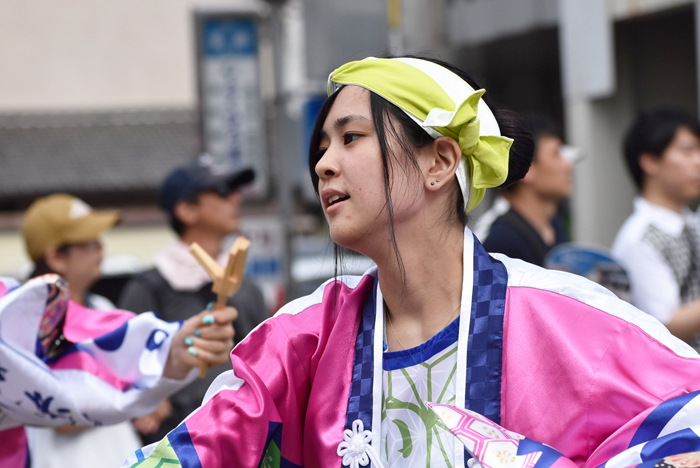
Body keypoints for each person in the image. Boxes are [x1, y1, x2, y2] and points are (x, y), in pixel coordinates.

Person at [124, 57, 700, 468]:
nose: (324, 164)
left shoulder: (567, 319)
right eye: (321, 146)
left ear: (440, 162)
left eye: (350, 138)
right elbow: (201, 449)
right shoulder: (301, 340)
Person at [0, 194, 238, 468]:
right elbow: (62, 412)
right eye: (88, 242)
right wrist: (139, 393)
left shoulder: (101, 305)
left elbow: (128, 378)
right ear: (56, 256)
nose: (101, 248)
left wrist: (152, 385)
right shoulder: (25, 325)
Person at [118, 155, 268, 444]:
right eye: (223, 192)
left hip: (244, 438)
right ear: (186, 210)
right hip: (178, 443)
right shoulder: (148, 288)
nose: (236, 199)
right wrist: (149, 398)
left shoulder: (247, 288)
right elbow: (126, 368)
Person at [612, 107, 700, 345]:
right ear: (650, 162)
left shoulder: (690, 221)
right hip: (683, 379)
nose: (698, 161)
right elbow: (663, 326)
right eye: (688, 150)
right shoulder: (640, 238)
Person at [482, 113, 571, 266]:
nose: (567, 164)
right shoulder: (502, 242)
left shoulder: (554, 225)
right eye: (556, 154)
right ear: (527, 168)